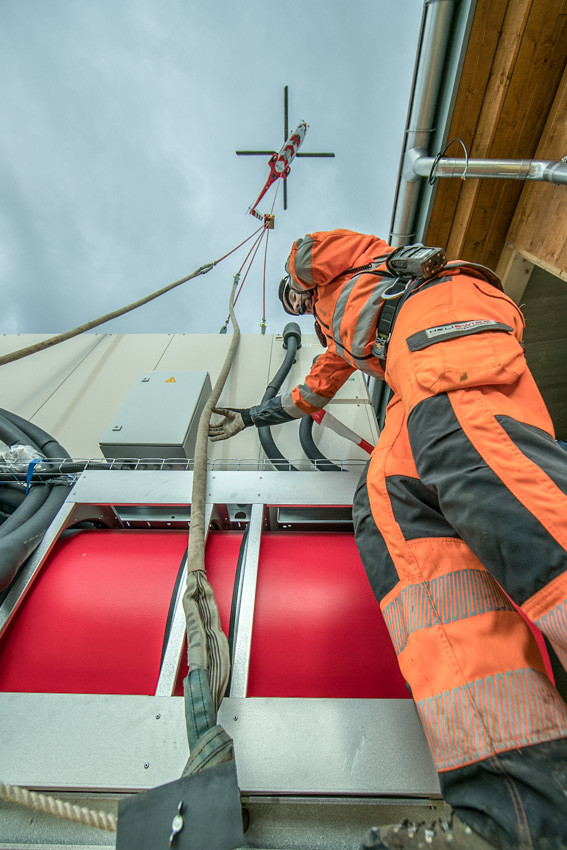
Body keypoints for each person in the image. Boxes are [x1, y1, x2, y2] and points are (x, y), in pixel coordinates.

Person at [209, 229, 567, 849]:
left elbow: (308, 248)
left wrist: (296, 273)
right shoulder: (339, 333)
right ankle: (522, 809)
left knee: (474, 459)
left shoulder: (344, 267)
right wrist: (248, 417)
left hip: (444, 321)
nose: (298, 302)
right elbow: (310, 392)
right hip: (411, 368)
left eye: (296, 296)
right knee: (388, 507)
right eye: (294, 301)